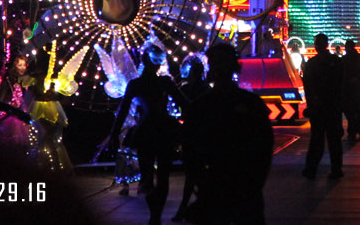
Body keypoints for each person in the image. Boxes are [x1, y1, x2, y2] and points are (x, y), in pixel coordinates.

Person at [182, 43, 273, 225]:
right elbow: (265, 147)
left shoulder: (202, 106)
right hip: (237, 184)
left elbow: (190, 149)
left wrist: (198, 181)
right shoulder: (249, 103)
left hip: (223, 184)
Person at [110, 43, 186, 225]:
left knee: (148, 176)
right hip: (164, 130)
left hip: (146, 131)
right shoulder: (164, 82)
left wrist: (114, 133)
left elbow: (122, 111)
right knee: (162, 176)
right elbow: (185, 103)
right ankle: (156, 215)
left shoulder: (137, 84)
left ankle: (155, 215)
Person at [172, 53, 212, 222]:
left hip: (189, 134)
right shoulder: (208, 90)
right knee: (199, 171)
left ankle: (187, 206)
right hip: (204, 134)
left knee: (191, 172)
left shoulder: (185, 89)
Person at [301, 33, 344, 179]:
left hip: (319, 108)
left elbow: (308, 86)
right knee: (334, 140)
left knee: (317, 140)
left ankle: (311, 168)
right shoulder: (336, 61)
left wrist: (312, 103)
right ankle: (336, 169)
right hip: (332, 107)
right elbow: (341, 83)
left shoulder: (312, 64)